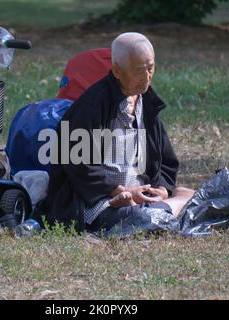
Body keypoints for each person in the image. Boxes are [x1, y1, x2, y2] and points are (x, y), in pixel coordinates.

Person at [34, 32, 195, 232]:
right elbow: (76, 163)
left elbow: (166, 159)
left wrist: (162, 189)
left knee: (191, 193)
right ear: (117, 71)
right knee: (142, 216)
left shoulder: (146, 102)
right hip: (99, 201)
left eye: (151, 68)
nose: (147, 77)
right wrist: (118, 191)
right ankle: (163, 212)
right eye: (139, 70)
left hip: (140, 195)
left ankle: (161, 209)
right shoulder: (93, 104)